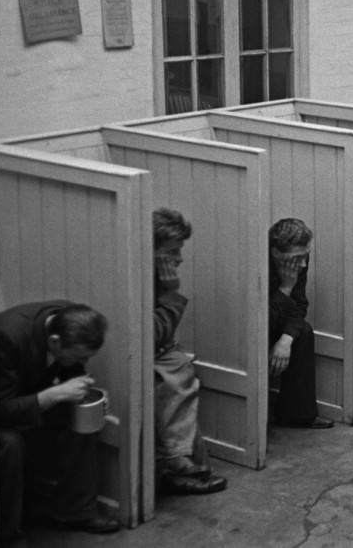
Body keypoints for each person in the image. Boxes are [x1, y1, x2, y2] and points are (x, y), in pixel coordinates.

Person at [0, 301, 121, 545]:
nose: (82, 360)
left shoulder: (71, 318)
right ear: (54, 342)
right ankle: (6, 536)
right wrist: (56, 394)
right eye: (78, 356)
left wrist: (82, 394)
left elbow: (72, 368)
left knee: (80, 417)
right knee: (9, 443)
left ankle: (76, 512)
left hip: (24, 397)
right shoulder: (5, 337)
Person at [152, 207, 227, 495]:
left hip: (162, 351)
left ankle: (184, 462)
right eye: (173, 251)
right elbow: (153, 334)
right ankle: (176, 461)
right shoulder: (139, 278)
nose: (179, 258)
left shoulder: (153, 275)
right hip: (138, 354)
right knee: (178, 373)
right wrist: (170, 292)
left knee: (180, 368)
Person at [267, 218, 334, 428]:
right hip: (259, 322)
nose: (304, 264)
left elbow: (300, 305)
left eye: (306, 256)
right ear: (275, 253)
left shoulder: (297, 261)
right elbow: (260, 321)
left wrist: (285, 341)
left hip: (278, 315)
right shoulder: (260, 266)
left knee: (303, 332)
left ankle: (298, 414)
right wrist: (285, 288)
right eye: (298, 258)